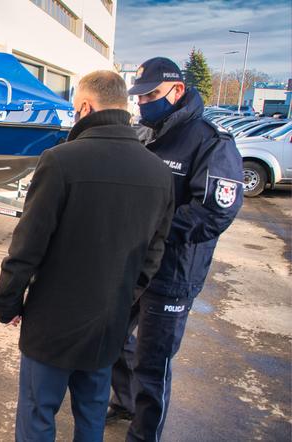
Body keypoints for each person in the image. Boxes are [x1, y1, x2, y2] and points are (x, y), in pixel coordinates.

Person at [0, 70, 175, 442]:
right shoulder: (158, 172)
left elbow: (27, 246)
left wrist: (8, 302)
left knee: (37, 417)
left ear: (84, 107)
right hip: (107, 325)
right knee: (91, 419)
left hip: (50, 325)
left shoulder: (60, 161)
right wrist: (124, 299)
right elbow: (153, 254)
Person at [107, 57, 244, 441]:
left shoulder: (210, 142)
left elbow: (215, 212)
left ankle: (143, 434)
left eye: (151, 94)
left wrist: (152, 230)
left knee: (153, 365)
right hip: (135, 265)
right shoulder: (146, 134)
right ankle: (126, 403)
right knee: (113, 338)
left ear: (177, 90)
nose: (143, 103)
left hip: (173, 275)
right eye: (139, 96)